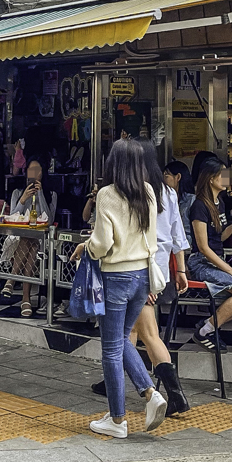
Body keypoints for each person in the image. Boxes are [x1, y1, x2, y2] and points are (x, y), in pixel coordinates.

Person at [92, 143, 192, 414]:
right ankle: (120, 381)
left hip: (131, 272)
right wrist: (180, 270)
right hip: (154, 271)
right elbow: (176, 235)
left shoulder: (123, 192)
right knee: (130, 333)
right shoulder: (163, 191)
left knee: (144, 335)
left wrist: (88, 248)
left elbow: (107, 241)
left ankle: (167, 394)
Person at [83, 138, 168, 438]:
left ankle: (118, 420)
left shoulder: (107, 194)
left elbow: (102, 243)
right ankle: (150, 394)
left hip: (115, 277)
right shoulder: (148, 191)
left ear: (113, 163)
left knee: (110, 348)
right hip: (142, 277)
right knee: (121, 339)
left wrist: (87, 248)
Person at [186, 155, 232, 351]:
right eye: (222, 175)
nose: (227, 178)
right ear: (211, 178)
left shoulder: (219, 203)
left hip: (216, 261)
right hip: (201, 262)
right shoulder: (199, 206)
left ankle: (208, 324)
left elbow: (221, 237)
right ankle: (204, 331)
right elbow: (203, 247)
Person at [5, 159, 51, 315]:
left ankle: (11, 280)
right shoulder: (17, 193)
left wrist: (41, 195)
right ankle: (26, 299)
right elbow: (12, 217)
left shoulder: (51, 195)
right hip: (18, 238)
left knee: (32, 243)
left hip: (42, 239)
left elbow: (49, 219)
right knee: (28, 242)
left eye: (38, 171)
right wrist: (23, 199)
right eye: (31, 170)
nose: (34, 174)